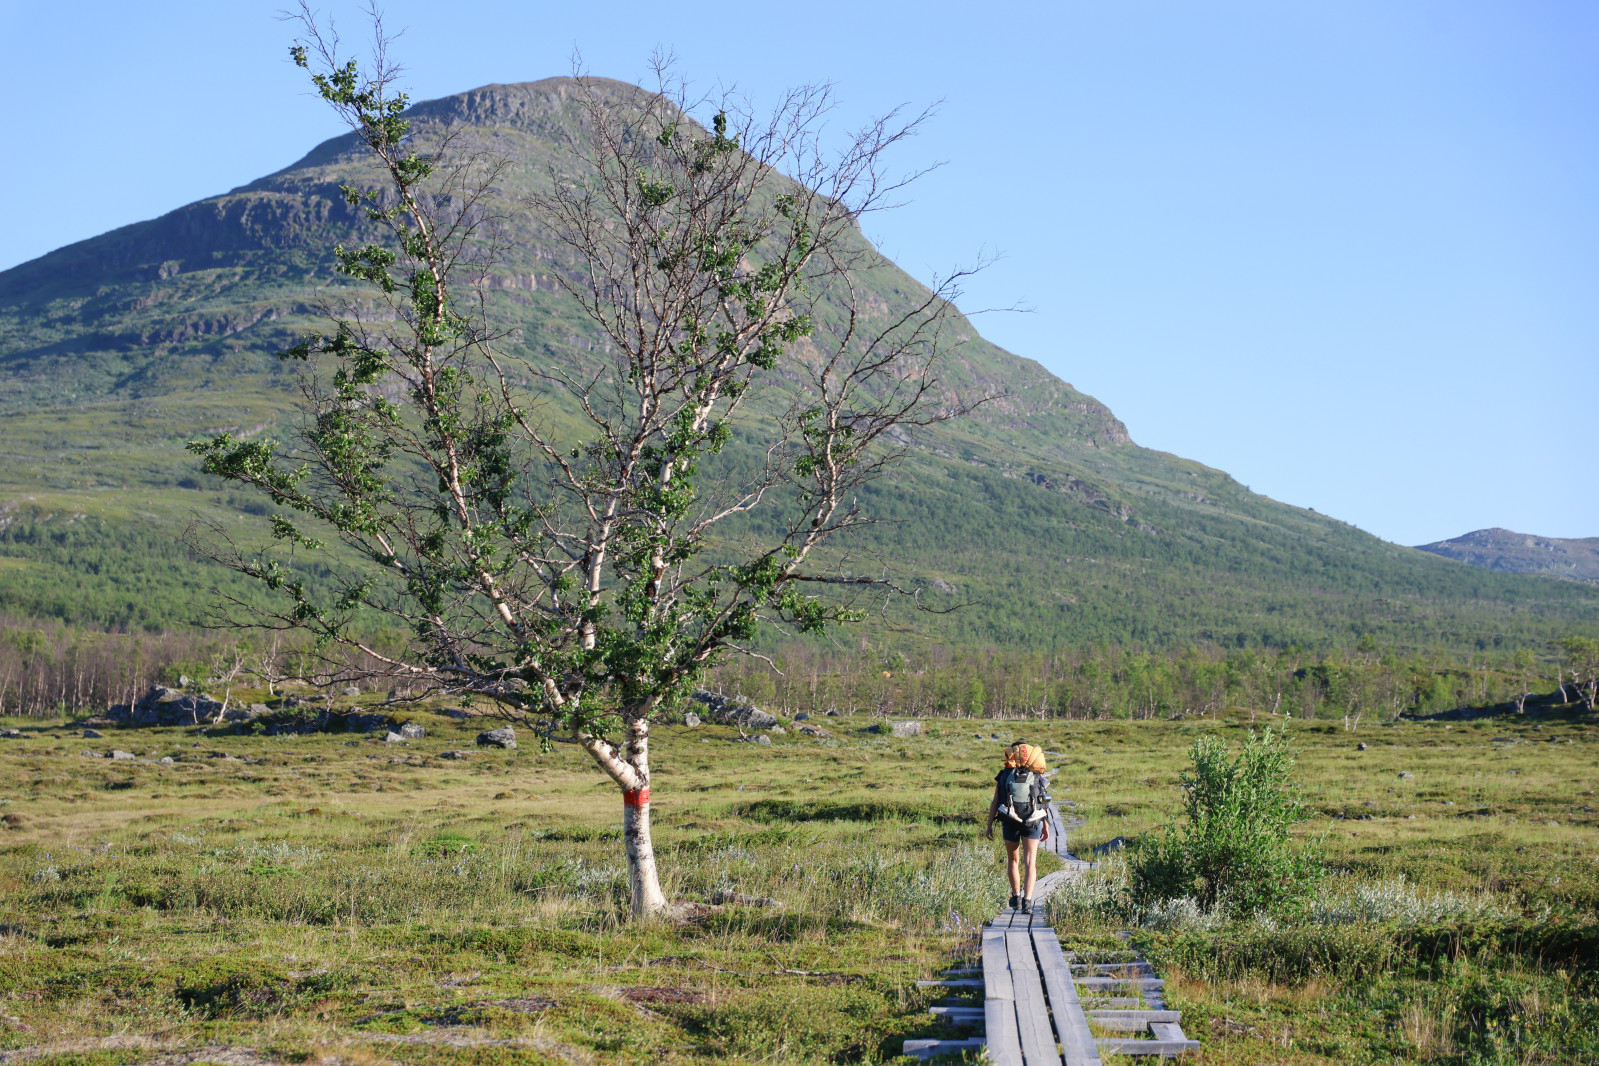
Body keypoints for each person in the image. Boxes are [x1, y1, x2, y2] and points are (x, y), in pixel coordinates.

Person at [985, 741, 1051, 913]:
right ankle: (1027, 901)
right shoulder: (1036, 774)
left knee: (1013, 860)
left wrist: (989, 824)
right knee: (1030, 862)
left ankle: (1016, 897)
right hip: (1033, 822)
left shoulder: (1005, 774)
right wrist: (1046, 824)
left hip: (1010, 821)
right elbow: (1042, 802)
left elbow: (995, 801)